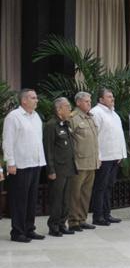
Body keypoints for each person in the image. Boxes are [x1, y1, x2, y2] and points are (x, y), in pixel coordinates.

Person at [3, 89, 46, 242]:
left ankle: (29, 229)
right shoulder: (13, 117)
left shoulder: (36, 117)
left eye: (36, 97)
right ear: (24, 101)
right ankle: (17, 232)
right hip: (20, 165)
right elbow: (7, 141)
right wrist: (11, 163)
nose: (37, 100)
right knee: (19, 200)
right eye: (33, 98)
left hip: (35, 163)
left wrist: (41, 160)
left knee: (31, 200)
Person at [90, 88, 127, 226]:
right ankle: (98, 216)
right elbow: (94, 137)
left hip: (114, 156)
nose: (112, 98)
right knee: (100, 187)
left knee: (109, 186)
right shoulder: (96, 112)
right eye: (109, 96)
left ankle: (107, 214)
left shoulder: (114, 114)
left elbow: (119, 135)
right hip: (103, 157)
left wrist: (121, 154)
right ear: (100, 99)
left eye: (112, 96)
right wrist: (97, 156)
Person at [43, 98, 77, 237]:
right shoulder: (51, 125)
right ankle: (54, 226)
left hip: (68, 167)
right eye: (67, 107)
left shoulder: (65, 124)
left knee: (65, 199)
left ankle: (63, 223)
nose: (70, 109)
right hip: (58, 169)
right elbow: (48, 149)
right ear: (59, 110)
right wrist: (50, 170)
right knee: (56, 199)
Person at [68, 91, 99, 232]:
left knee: (86, 193)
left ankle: (82, 219)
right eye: (86, 101)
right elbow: (68, 142)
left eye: (90, 101)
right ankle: (73, 221)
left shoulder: (90, 117)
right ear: (78, 102)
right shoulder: (73, 118)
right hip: (79, 162)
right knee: (75, 193)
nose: (89, 103)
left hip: (91, 161)